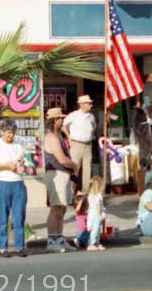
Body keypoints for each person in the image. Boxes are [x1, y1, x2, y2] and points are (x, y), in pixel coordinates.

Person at [0, 119, 28, 258]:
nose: (11, 135)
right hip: (2, 182)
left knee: (19, 216)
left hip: (18, 183)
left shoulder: (18, 146)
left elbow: (24, 163)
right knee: (2, 216)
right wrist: (8, 166)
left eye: (13, 133)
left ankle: (19, 246)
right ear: (3, 132)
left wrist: (22, 167)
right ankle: (2, 247)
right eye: (8, 133)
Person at [43, 107, 79, 253]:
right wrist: (74, 165)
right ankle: (52, 239)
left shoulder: (58, 135)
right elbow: (62, 159)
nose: (62, 120)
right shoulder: (51, 137)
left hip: (62, 174)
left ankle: (59, 237)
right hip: (56, 174)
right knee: (56, 208)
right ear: (54, 120)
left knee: (62, 208)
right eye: (59, 118)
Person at [62, 95, 96, 191]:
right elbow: (63, 125)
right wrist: (69, 136)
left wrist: (90, 136)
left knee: (87, 170)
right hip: (76, 144)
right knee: (74, 168)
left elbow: (94, 127)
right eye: (88, 103)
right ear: (81, 104)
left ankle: (86, 194)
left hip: (88, 144)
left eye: (90, 103)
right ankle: (71, 193)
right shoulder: (74, 115)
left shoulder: (91, 116)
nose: (90, 105)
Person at [85, 176, 107, 251]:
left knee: (95, 229)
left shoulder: (90, 195)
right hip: (96, 213)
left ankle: (96, 243)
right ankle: (91, 243)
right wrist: (100, 214)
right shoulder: (98, 195)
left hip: (91, 213)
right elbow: (98, 205)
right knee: (96, 229)